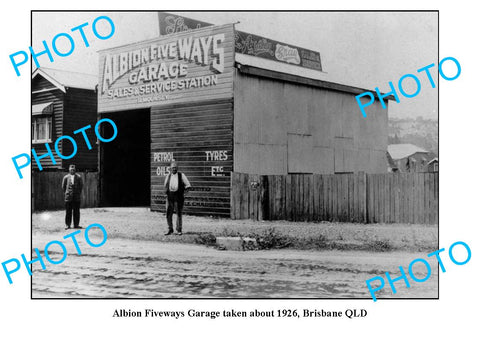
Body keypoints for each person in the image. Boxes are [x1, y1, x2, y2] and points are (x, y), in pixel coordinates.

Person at [164, 161, 191, 235]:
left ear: (177, 168)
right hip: (170, 197)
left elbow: (188, 185)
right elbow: (165, 186)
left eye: (175, 168)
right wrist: (166, 193)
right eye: (173, 168)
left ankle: (179, 229)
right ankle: (170, 229)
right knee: (168, 213)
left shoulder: (181, 175)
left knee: (178, 213)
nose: (174, 169)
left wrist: (184, 193)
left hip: (178, 197)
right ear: (170, 168)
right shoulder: (168, 176)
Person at [62, 164, 83, 230]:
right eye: (71, 169)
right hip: (68, 197)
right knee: (68, 211)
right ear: (69, 170)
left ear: (75, 170)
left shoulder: (79, 177)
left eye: (73, 169)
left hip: (76, 197)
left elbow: (81, 186)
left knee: (76, 211)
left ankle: (76, 225)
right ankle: (68, 225)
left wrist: (78, 193)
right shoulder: (66, 177)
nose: (72, 171)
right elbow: (63, 187)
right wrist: (67, 193)